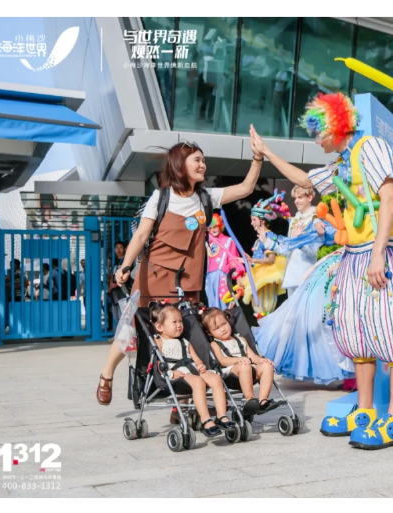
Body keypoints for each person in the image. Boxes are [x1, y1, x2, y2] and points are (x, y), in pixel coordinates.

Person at [249, 92, 393, 450]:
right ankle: (365, 412)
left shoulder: (370, 148)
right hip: (354, 258)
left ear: (334, 126)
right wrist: (267, 153)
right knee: (358, 334)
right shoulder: (342, 164)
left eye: (319, 133)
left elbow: (389, 198)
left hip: (380, 256)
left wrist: (378, 254)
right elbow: (306, 180)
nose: (317, 140)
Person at [96, 138, 263, 406]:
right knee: (134, 331)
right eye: (197, 159)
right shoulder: (161, 197)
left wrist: (257, 158)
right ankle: (107, 374)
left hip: (187, 281)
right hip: (154, 277)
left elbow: (246, 188)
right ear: (180, 165)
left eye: (203, 160)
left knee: (185, 335)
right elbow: (141, 235)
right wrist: (125, 265)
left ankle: (181, 404)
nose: (203, 164)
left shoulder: (206, 198)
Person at [254, 246, 355, 386]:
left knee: (330, 317)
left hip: (344, 262)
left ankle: (350, 373)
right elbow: (289, 247)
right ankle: (342, 372)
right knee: (303, 320)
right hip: (318, 270)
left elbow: (312, 247)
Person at [150, 303, 235, 437]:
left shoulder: (185, 342)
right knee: (198, 382)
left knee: (215, 378)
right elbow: (159, 363)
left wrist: (200, 365)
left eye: (180, 321)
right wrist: (171, 373)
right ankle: (206, 420)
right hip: (177, 374)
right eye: (174, 322)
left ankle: (221, 416)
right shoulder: (159, 341)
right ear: (160, 327)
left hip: (193, 370)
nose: (179, 325)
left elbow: (196, 359)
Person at [202, 308, 276, 417]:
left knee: (267, 366)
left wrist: (261, 360)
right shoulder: (215, 344)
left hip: (249, 369)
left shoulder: (240, 339)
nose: (223, 329)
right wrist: (238, 360)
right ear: (210, 332)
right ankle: (250, 399)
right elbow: (222, 361)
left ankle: (262, 400)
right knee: (244, 366)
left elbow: (252, 356)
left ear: (228, 321)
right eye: (217, 328)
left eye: (224, 324)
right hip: (231, 374)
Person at [259, 185, 326, 297]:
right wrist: (268, 243)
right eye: (295, 198)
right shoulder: (294, 221)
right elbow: (288, 251)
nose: (296, 201)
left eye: (300, 197)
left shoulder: (316, 221)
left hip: (306, 276)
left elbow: (314, 253)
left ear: (310, 197)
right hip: (291, 277)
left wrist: (298, 242)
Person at [239, 191, 289, 318]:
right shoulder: (258, 238)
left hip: (266, 277)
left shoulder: (268, 236)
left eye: (254, 220)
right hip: (257, 275)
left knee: (265, 310)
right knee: (258, 312)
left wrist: (253, 260)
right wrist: (248, 261)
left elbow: (271, 259)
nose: (252, 223)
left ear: (262, 220)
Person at [205, 213, 245, 309]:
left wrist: (238, 277)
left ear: (220, 226)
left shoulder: (228, 241)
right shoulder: (207, 243)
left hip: (223, 277)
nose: (213, 230)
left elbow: (233, 260)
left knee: (224, 305)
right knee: (212, 307)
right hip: (209, 278)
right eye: (210, 228)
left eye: (215, 227)